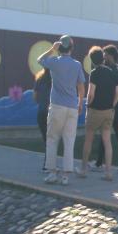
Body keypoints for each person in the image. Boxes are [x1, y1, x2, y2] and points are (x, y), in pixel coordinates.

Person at [37, 35, 85, 186]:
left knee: (52, 139)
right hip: (72, 107)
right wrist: (80, 103)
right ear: (71, 48)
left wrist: (52, 49)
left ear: (60, 47)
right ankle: (65, 176)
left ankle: (52, 173)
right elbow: (81, 86)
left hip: (57, 105)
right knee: (69, 140)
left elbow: (39, 59)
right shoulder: (77, 65)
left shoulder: (54, 62)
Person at [79, 46, 118, 180]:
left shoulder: (94, 73)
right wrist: (112, 106)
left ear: (92, 60)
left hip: (95, 111)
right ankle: (108, 173)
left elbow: (91, 94)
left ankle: (83, 170)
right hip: (109, 112)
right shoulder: (112, 72)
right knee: (107, 142)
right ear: (103, 58)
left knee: (88, 140)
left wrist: (87, 105)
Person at [92, 45, 118, 174]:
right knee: (111, 134)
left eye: (105, 55)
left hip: (113, 107)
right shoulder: (117, 69)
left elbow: (114, 90)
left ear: (111, 55)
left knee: (115, 134)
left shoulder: (113, 70)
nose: (103, 57)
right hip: (116, 107)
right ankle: (102, 163)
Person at [33, 67, 52, 172]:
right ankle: (49, 164)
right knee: (52, 139)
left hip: (41, 112)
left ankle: (48, 164)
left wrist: (41, 102)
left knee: (46, 139)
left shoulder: (39, 79)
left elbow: (35, 97)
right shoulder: (55, 80)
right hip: (52, 112)